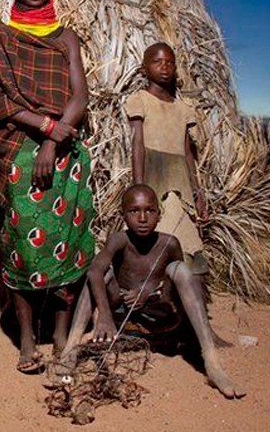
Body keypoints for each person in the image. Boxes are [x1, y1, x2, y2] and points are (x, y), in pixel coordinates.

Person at [0, 0, 95, 374]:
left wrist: (55, 135)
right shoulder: (0, 35)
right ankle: (27, 340)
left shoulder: (67, 38)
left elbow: (79, 96)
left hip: (64, 152)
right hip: (17, 148)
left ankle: (61, 336)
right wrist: (45, 126)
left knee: (66, 239)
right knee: (24, 246)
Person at [86, 184, 245, 398]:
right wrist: (104, 315)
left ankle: (212, 362)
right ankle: (69, 349)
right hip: (121, 322)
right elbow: (95, 272)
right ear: (123, 215)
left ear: (159, 215)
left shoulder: (170, 243)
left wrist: (148, 291)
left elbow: (173, 287)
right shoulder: (117, 241)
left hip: (158, 319)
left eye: (150, 211)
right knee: (100, 272)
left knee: (179, 269)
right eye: (135, 211)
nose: (142, 218)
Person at [125, 42, 208, 274]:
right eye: (157, 62)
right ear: (144, 68)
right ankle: (153, 292)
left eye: (170, 63)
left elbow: (188, 154)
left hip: (179, 181)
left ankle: (181, 292)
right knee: (156, 233)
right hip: (153, 176)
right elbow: (137, 146)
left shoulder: (183, 109)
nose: (164, 67)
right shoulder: (140, 100)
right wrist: (139, 186)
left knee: (185, 237)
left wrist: (197, 191)